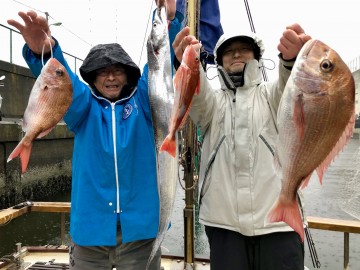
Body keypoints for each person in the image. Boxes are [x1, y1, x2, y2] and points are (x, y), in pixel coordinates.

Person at [7, 1, 182, 269]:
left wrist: (168, 20)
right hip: (89, 235)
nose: (110, 77)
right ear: (92, 77)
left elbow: (160, 65)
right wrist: (44, 51)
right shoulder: (83, 108)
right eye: (102, 72)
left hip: (141, 233)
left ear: (129, 75)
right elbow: (60, 80)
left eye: (117, 70)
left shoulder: (145, 102)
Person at [172, 25, 312, 270]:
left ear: (257, 57)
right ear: (220, 61)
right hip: (224, 224)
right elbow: (196, 91)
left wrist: (292, 61)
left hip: (279, 225)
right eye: (229, 52)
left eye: (244, 49)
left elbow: (292, 90)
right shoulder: (212, 104)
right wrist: (186, 62)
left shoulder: (273, 96)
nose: (236, 55)